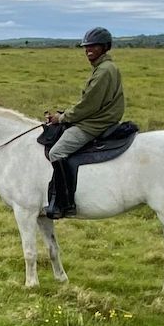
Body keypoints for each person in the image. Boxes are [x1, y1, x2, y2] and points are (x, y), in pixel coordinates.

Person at [44, 27, 125, 219]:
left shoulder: (104, 71)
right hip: (99, 117)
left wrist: (62, 118)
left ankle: (65, 202)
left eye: (94, 46)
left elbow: (89, 104)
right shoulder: (105, 68)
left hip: (95, 123)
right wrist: (66, 114)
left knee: (57, 152)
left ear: (105, 47)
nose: (88, 50)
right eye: (86, 47)